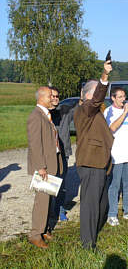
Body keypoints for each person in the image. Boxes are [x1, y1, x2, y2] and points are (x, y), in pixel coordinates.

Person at [74, 60, 114, 249]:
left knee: (102, 204)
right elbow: (97, 99)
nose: (102, 100)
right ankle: (88, 244)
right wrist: (104, 77)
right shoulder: (85, 109)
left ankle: (93, 233)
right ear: (89, 95)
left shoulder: (96, 112)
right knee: (90, 206)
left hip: (101, 164)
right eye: (98, 94)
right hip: (90, 164)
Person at [27, 86, 63, 249]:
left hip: (51, 163)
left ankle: (45, 229)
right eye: (50, 96)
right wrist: (41, 167)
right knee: (42, 201)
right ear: (41, 97)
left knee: (48, 199)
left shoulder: (45, 115)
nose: (53, 98)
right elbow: (35, 145)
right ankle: (35, 234)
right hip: (44, 166)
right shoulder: (36, 116)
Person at [103, 87, 128, 226]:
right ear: (113, 98)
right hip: (116, 155)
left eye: (124, 96)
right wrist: (124, 112)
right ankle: (112, 214)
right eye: (119, 97)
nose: (123, 99)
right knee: (114, 186)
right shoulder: (109, 112)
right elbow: (111, 128)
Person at [49, 86, 76, 222]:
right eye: (52, 96)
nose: (55, 98)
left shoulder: (65, 110)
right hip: (49, 154)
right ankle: (48, 212)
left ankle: (59, 210)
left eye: (57, 96)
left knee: (61, 184)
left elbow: (79, 109)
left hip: (63, 152)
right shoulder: (43, 113)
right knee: (48, 184)